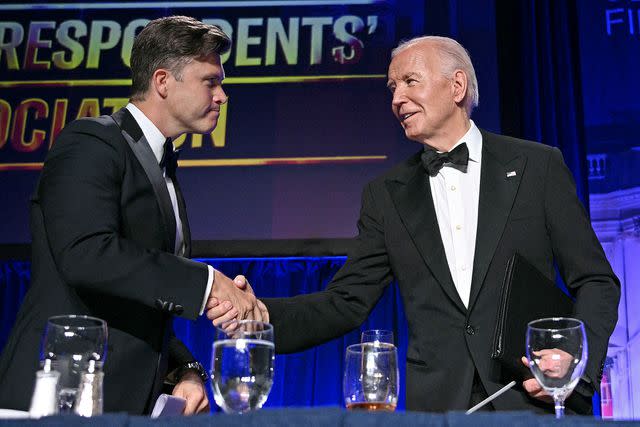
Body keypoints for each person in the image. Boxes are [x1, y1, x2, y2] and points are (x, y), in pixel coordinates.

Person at [208, 36, 620, 413]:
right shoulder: (387, 196)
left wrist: (574, 362)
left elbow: (597, 281)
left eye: (409, 81)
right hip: (440, 411)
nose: (397, 98)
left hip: (534, 403)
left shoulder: (537, 166)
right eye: (392, 88)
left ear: (456, 87)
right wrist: (260, 314)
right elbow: (346, 302)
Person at [0, 16, 265, 415]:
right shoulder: (90, 141)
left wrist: (186, 369)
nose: (223, 95)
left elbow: (136, 305)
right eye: (211, 82)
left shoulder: (164, 170)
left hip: (122, 405)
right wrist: (208, 285)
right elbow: (86, 254)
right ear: (162, 81)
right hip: (57, 397)